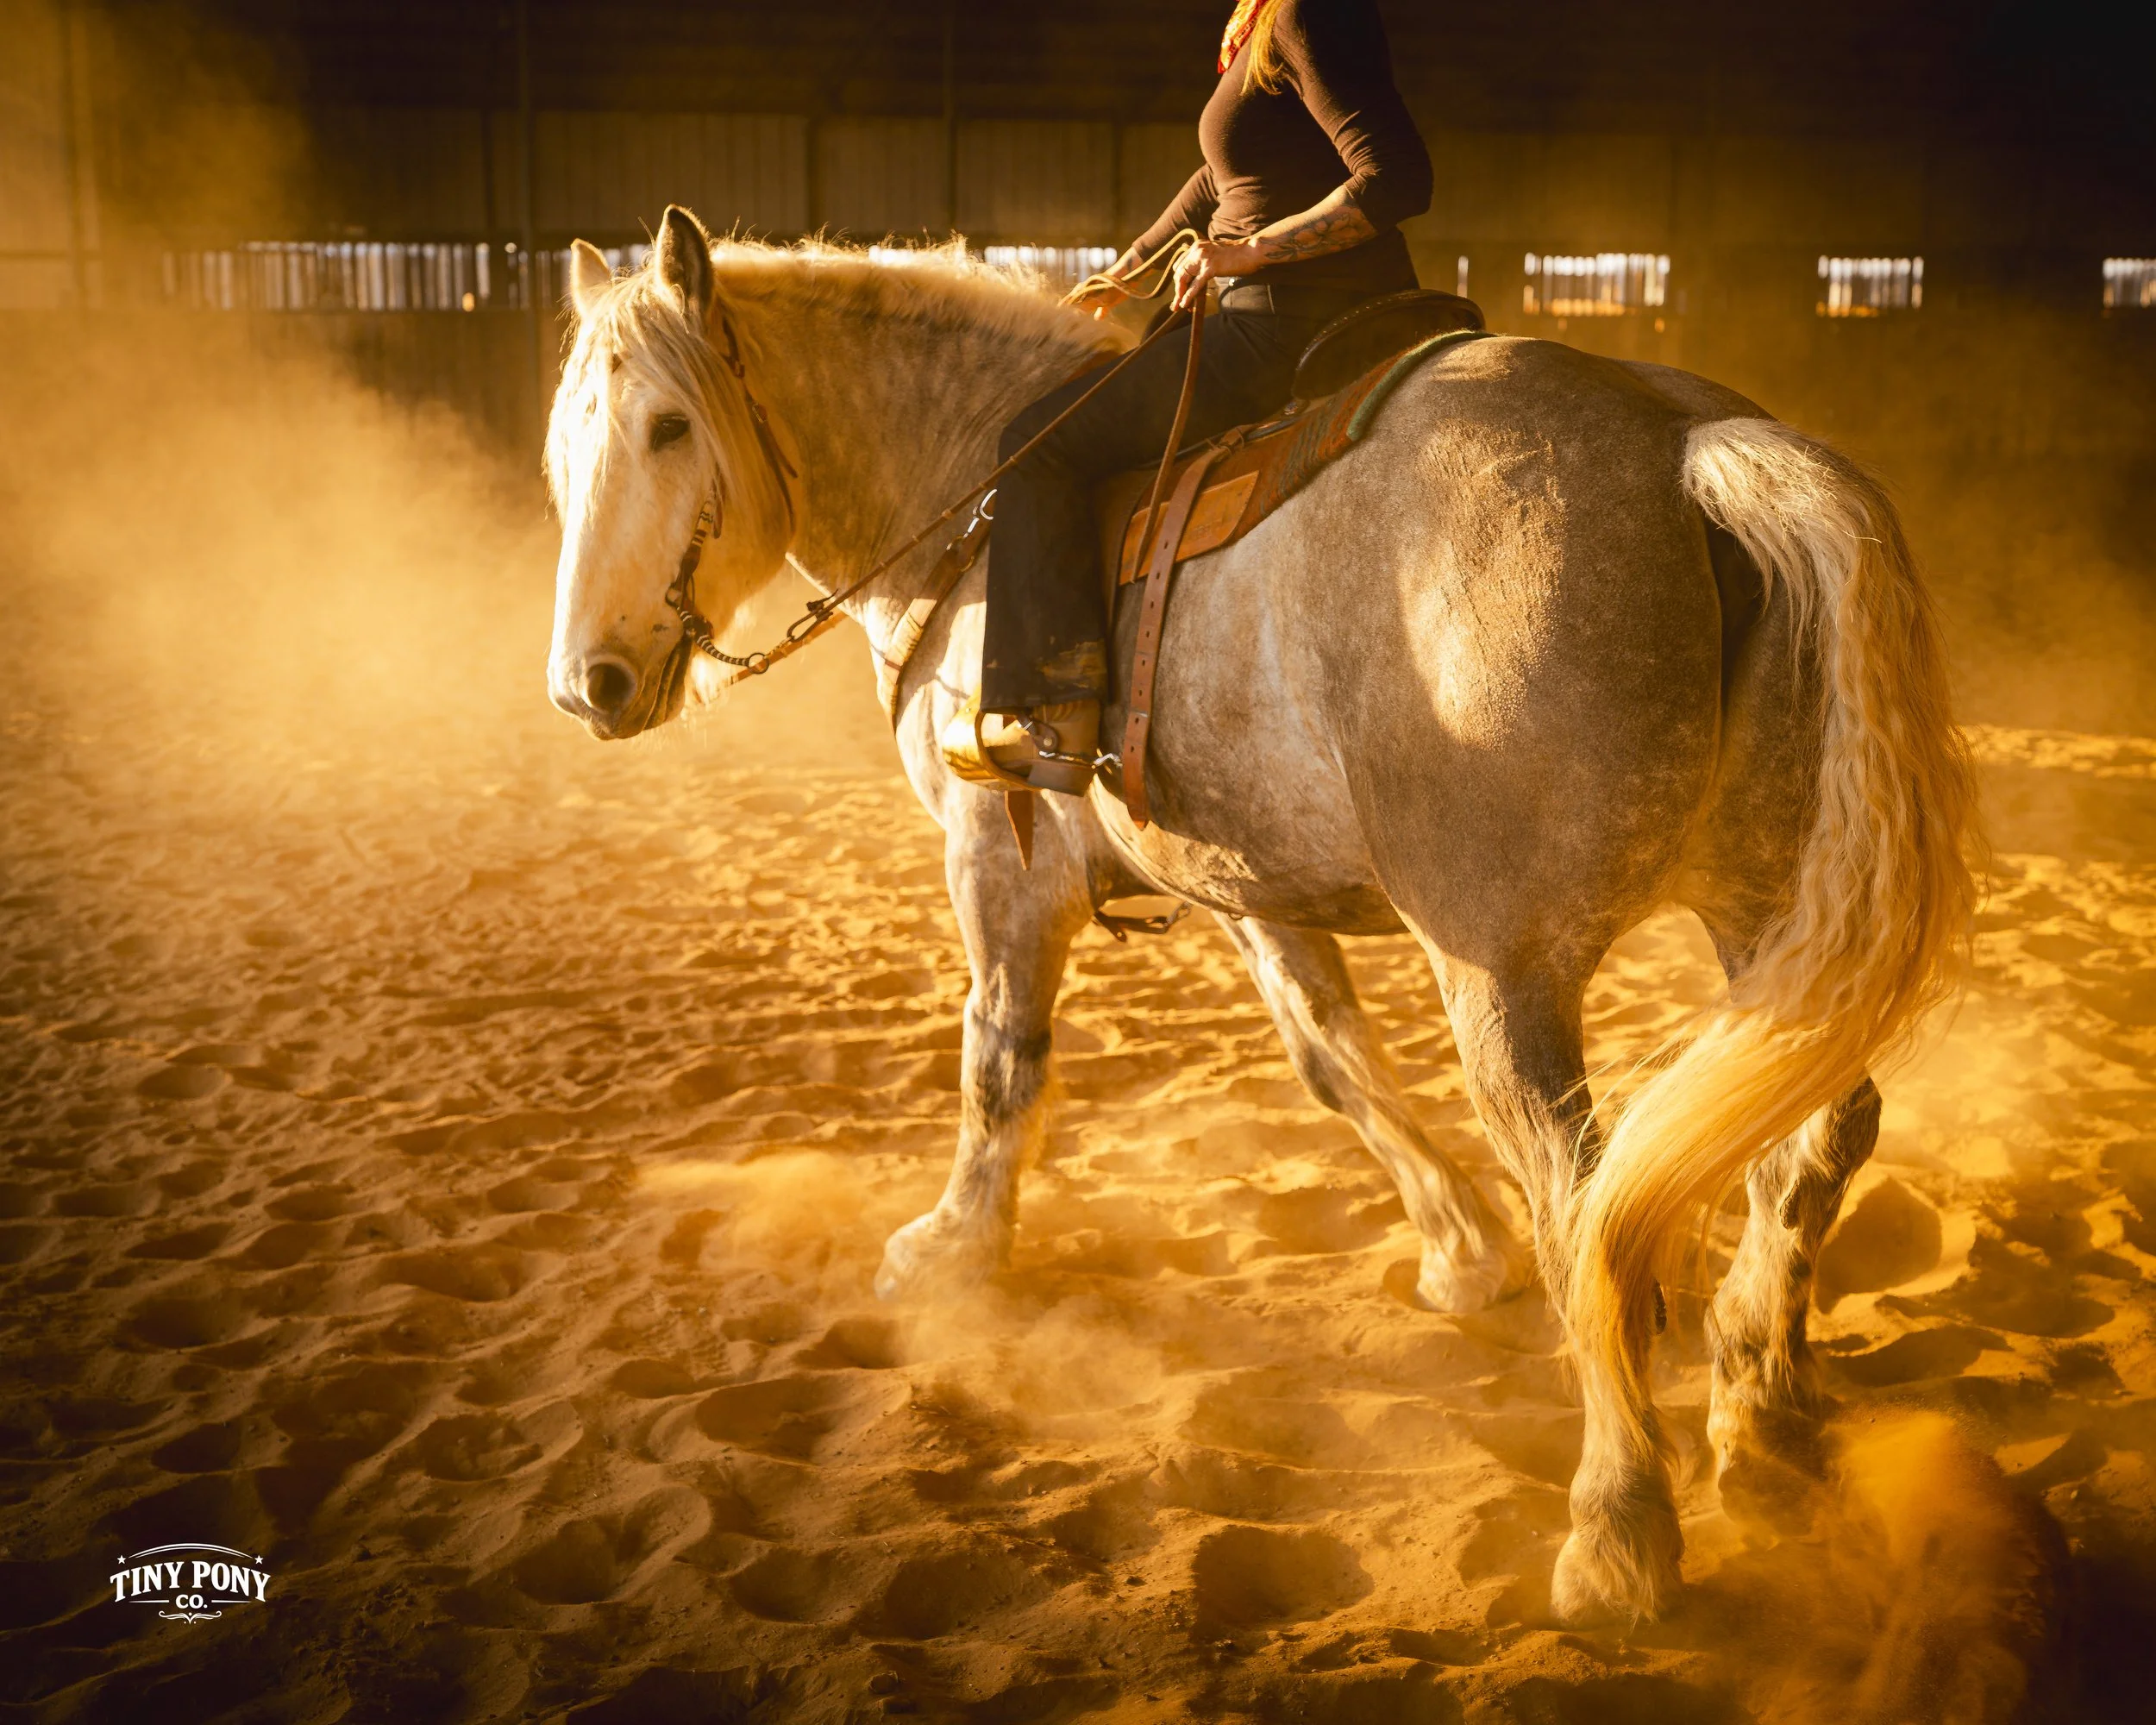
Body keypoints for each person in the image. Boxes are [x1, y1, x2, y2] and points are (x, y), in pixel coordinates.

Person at [950, 0, 1433, 795]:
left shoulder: (1305, 14)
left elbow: (1397, 177)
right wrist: (1126, 272)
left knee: (1040, 444)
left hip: (1289, 323)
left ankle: (1059, 713)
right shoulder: (1262, 21)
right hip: (1286, 304)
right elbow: (1227, 177)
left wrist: (1249, 253)